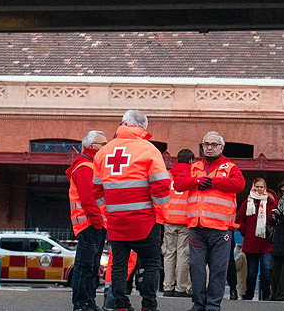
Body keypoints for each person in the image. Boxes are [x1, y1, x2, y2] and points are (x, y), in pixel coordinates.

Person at [93, 111, 170, 311]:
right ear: (143, 128)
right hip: (145, 221)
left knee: (119, 264)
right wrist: (160, 213)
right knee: (151, 263)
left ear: (123, 124)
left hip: (116, 221)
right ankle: (149, 305)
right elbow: (161, 185)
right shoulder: (149, 150)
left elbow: (97, 189)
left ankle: (120, 305)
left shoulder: (103, 152)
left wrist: (108, 211)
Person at [172, 131, 245, 311]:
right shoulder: (195, 166)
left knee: (218, 269)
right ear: (202, 146)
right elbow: (178, 184)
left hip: (220, 228)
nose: (210, 148)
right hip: (197, 226)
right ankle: (198, 304)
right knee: (196, 267)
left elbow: (239, 185)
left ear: (221, 147)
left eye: (214, 145)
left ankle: (213, 305)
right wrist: (197, 180)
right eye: (206, 144)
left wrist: (212, 182)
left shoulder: (230, 167)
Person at [68, 130, 108, 311]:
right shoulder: (85, 167)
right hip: (89, 224)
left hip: (90, 223)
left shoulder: (88, 165)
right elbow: (88, 198)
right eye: (103, 144)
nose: (107, 147)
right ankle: (83, 304)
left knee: (90, 266)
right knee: (86, 266)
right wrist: (98, 221)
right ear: (92, 147)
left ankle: (87, 303)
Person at [236, 177, 276, 300]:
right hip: (251, 242)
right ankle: (249, 296)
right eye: (257, 186)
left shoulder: (271, 202)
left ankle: (265, 296)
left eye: (261, 187)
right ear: (253, 187)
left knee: (266, 270)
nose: (259, 189)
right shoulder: (247, 202)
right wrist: (246, 232)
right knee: (251, 272)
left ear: (265, 188)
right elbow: (240, 220)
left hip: (266, 243)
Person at [162, 148, 194, 298]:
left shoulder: (168, 175)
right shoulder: (192, 174)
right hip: (186, 219)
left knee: (169, 253)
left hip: (169, 219)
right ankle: (180, 288)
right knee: (182, 254)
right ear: (191, 161)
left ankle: (168, 287)